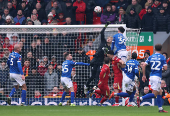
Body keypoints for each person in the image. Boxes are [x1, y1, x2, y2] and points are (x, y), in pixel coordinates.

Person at [137, 44, 168, 113]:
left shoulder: (151, 57)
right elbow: (165, 68)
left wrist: (144, 75)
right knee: (155, 94)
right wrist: (161, 69)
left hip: (152, 76)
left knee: (160, 92)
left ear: (154, 49)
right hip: (157, 77)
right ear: (161, 49)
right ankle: (141, 98)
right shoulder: (162, 57)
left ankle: (160, 109)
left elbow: (144, 65)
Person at [84, 22, 112, 93]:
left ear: (111, 41)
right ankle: (86, 85)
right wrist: (106, 26)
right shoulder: (103, 42)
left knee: (97, 75)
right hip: (94, 60)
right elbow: (102, 32)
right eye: (108, 38)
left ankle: (95, 87)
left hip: (100, 61)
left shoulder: (109, 48)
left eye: (110, 39)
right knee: (93, 76)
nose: (108, 39)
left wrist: (106, 53)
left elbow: (108, 56)